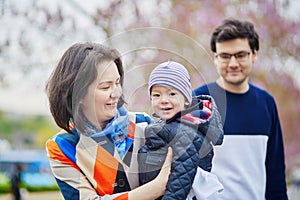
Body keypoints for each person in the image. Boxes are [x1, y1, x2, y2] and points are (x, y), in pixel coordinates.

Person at [45, 42, 173, 200]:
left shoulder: (143, 124)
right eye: (105, 87)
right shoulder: (62, 147)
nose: (116, 93)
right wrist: (157, 188)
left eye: (117, 83)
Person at [193, 18, 288, 199]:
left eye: (241, 55)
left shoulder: (267, 104)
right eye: (225, 56)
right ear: (215, 58)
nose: (233, 63)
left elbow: (275, 171)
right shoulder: (198, 101)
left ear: (254, 54)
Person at [138, 61, 224, 199]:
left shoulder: (185, 132)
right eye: (157, 95)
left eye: (172, 94)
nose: (164, 100)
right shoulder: (171, 125)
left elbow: (180, 179)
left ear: (186, 100)